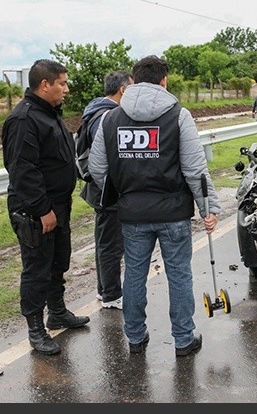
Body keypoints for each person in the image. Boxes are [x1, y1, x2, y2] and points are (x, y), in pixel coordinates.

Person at [88, 55, 221, 357]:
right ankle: (184, 340)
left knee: (134, 274)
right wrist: (208, 209)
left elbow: (97, 168)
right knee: (179, 274)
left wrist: (122, 191)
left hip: (133, 215)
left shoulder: (110, 119)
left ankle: (135, 338)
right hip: (173, 213)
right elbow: (194, 170)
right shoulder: (178, 116)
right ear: (164, 81)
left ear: (133, 81)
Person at [2, 59, 90, 356]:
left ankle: (58, 312)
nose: (66, 89)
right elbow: (22, 170)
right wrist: (41, 209)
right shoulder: (25, 119)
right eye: (62, 83)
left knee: (57, 262)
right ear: (44, 85)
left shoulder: (48, 114)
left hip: (57, 205)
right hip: (36, 209)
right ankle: (36, 330)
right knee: (37, 268)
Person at [79, 70, 133, 310]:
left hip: (97, 189)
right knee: (111, 245)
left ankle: (105, 291)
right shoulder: (108, 117)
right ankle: (112, 294)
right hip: (106, 190)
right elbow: (111, 158)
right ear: (123, 89)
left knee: (104, 241)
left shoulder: (95, 110)